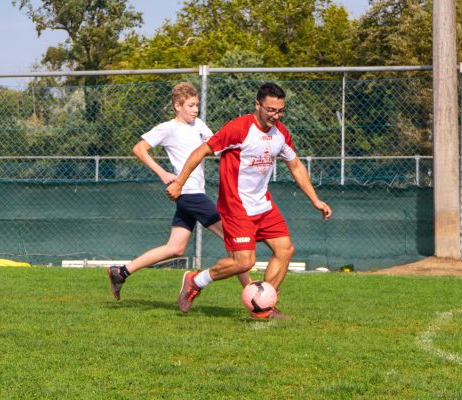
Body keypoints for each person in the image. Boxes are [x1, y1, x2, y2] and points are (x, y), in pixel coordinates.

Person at [166, 82, 332, 319]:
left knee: (285, 250)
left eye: (280, 111)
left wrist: (315, 199)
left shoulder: (281, 133)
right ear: (258, 105)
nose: (275, 116)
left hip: (263, 205)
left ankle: (264, 306)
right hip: (236, 206)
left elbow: (295, 165)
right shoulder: (238, 129)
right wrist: (180, 182)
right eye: (270, 110)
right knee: (244, 262)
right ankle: (195, 281)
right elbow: (200, 152)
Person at [107, 82, 251, 300]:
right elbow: (139, 149)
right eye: (191, 105)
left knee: (175, 248)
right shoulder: (168, 128)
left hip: (192, 194)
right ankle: (252, 293)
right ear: (177, 106)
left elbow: (215, 147)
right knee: (232, 236)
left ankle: (121, 272)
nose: (195, 110)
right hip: (189, 193)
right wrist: (162, 173)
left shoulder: (200, 125)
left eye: (197, 105)